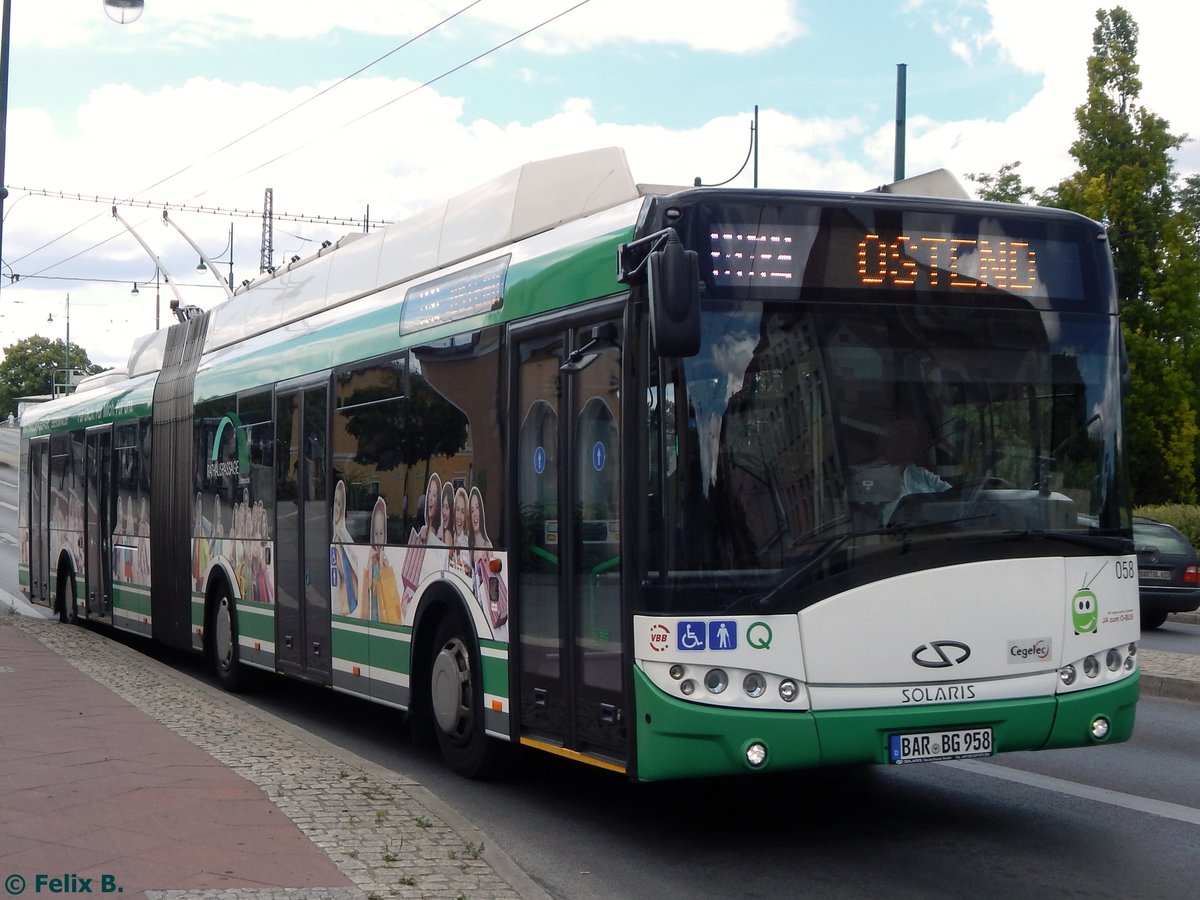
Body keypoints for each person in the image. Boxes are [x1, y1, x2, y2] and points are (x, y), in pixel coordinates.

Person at [361, 496, 403, 623]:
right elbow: (368, 587)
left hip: (383, 617)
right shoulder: (371, 561)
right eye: (376, 534)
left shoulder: (385, 564)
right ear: (372, 535)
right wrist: (369, 561)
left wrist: (381, 563)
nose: (378, 539)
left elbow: (389, 594)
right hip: (373, 616)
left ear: (385, 534)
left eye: (381, 534)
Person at [331, 480, 358, 615]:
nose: (336, 507)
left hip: (345, 599)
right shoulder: (335, 535)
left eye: (340, 503)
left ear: (343, 508)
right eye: (335, 501)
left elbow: (349, 570)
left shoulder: (343, 536)